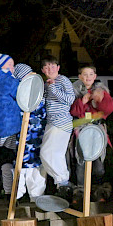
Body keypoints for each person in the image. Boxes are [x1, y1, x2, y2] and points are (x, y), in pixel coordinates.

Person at [0, 54, 41, 206]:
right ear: (3, 66)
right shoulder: (9, 81)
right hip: (8, 126)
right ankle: (9, 194)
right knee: (6, 160)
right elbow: (22, 97)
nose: (13, 68)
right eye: (11, 65)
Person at [71, 65, 113, 200]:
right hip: (81, 130)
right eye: (85, 74)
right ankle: (81, 191)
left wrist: (100, 99)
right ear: (80, 77)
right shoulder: (74, 91)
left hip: (97, 130)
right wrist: (82, 102)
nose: (88, 77)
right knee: (81, 161)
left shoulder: (101, 91)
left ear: (95, 76)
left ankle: (100, 190)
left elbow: (108, 109)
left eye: (91, 74)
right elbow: (73, 111)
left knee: (98, 162)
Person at [39, 57, 75, 200]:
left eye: (53, 66)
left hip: (60, 121)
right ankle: (62, 185)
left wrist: (53, 88)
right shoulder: (45, 84)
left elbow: (70, 100)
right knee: (56, 154)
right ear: (43, 70)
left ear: (58, 68)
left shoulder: (63, 80)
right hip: (52, 122)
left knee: (46, 153)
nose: (50, 69)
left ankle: (63, 181)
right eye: (46, 67)